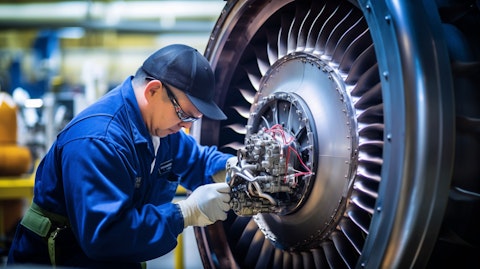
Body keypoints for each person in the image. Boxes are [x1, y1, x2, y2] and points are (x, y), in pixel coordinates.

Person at [7, 44, 234, 268]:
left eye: (193, 118)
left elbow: (198, 161)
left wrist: (232, 167)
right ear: (152, 91)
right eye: (184, 114)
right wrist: (186, 213)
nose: (185, 125)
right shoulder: (99, 141)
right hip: (64, 259)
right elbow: (105, 235)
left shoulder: (162, 130)